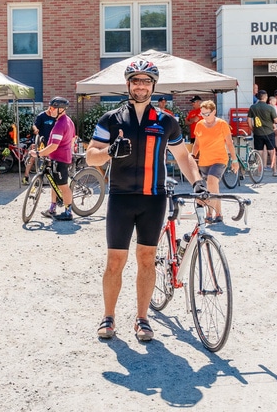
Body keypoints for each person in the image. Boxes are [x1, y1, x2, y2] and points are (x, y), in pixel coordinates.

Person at [86, 60, 202, 343]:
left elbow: (183, 157)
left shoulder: (166, 121)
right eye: (136, 81)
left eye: (146, 81)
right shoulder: (111, 119)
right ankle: (108, 316)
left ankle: (142, 319)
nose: (141, 86)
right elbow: (91, 156)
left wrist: (198, 182)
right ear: (128, 85)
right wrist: (110, 151)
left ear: (153, 85)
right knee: (115, 260)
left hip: (153, 198)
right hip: (121, 197)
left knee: (147, 259)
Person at [191, 100, 238, 224]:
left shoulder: (222, 124)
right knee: (213, 187)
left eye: (207, 114)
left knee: (212, 181)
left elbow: (229, 143)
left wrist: (234, 160)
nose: (205, 117)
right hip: (204, 161)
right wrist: (192, 156)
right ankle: (218, 213)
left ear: (214, 112)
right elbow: (197, 144)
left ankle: (209, 213)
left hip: (219, 159)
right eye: (203, 114)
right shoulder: (200, 125)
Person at [32, 97, 76, 221]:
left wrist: (39, 153)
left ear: (61, 109)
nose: (49, 110)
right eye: (49, 107)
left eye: (52, 108)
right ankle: (52, 208)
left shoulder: (61, 124)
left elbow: (53, 146)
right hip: (58, 157)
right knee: (53, 183)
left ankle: (68, 212)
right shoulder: (67, 121)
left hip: (60, 159)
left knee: (63, 186)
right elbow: (72, 139)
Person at [23, 102, 59, 185]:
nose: (52, 112)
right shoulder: (41, 116)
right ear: (49, 108)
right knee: (32, 158)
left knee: (49, 159)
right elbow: (34, 125)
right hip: (40, 141)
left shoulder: (55, 117)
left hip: (50, 141)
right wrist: (35, 130)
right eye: (52, 109)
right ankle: (26, 177)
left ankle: (47, 178)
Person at [248, 90, 277, 177]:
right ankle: (275, 171)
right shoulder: (270, 108)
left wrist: (253, 129)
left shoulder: (253, 107)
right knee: (272, 152)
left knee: (259, 152)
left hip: (258, 133)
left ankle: (259, 171)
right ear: (265, 97)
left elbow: (249, 120)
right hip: (269, 132)